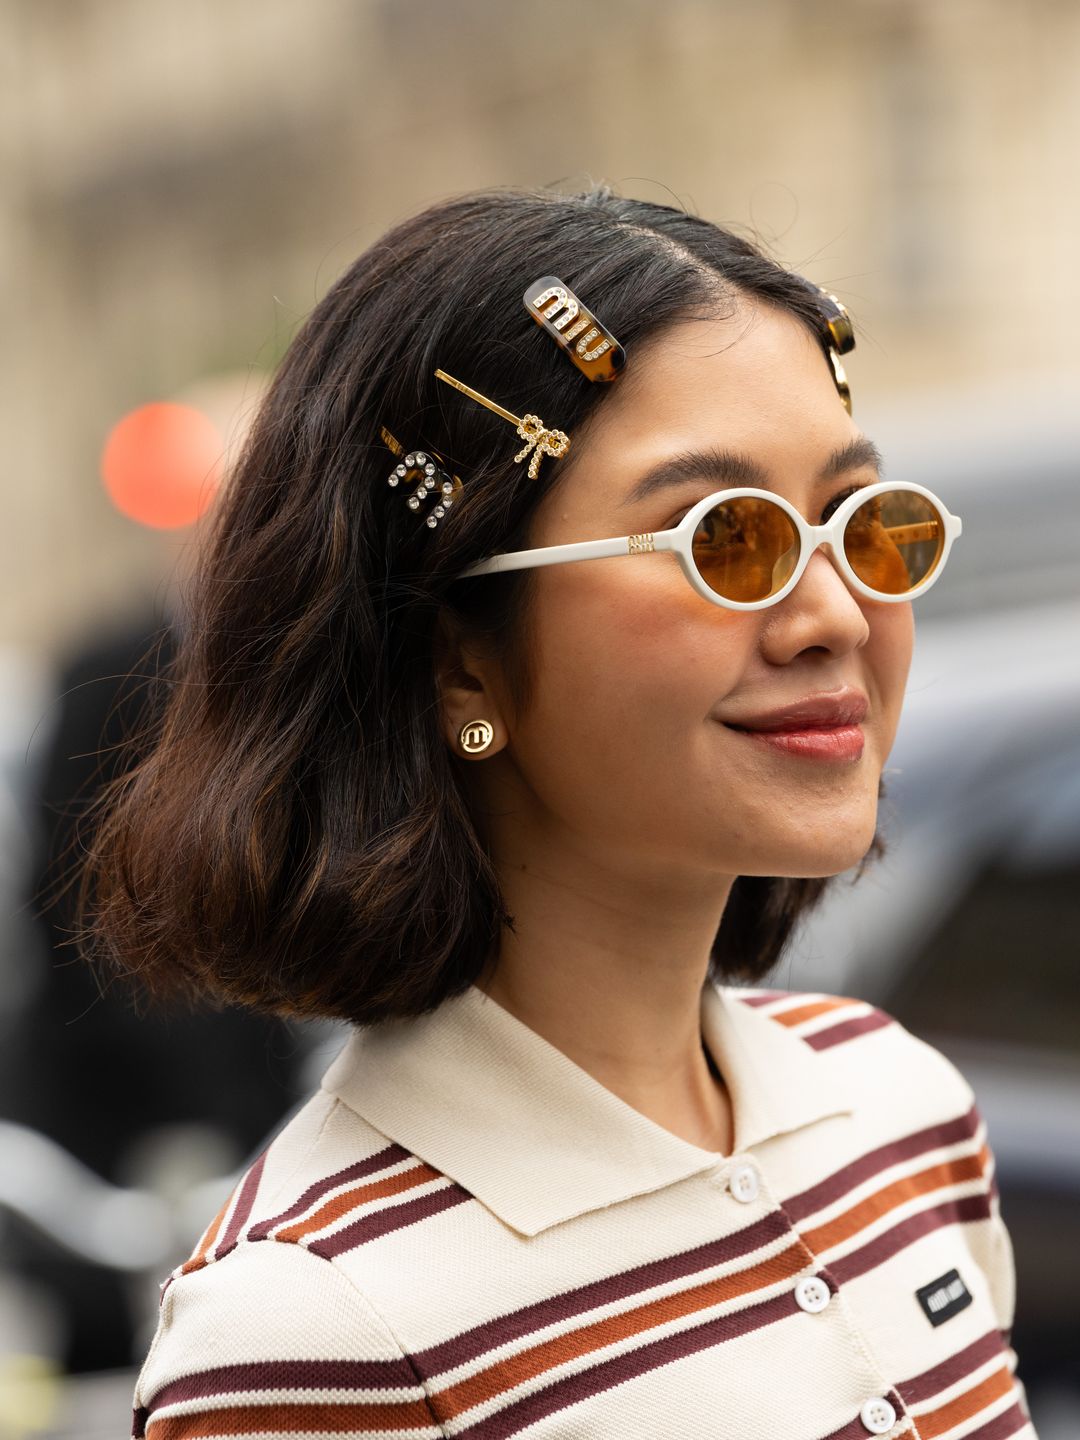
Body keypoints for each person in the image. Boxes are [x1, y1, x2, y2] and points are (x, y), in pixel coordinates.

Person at [75, 184, 1034, 1438]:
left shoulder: (898, 1106)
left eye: (866, 525)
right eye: (722, 539)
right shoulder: (316, 1326)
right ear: (459, 655)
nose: (837, 615)